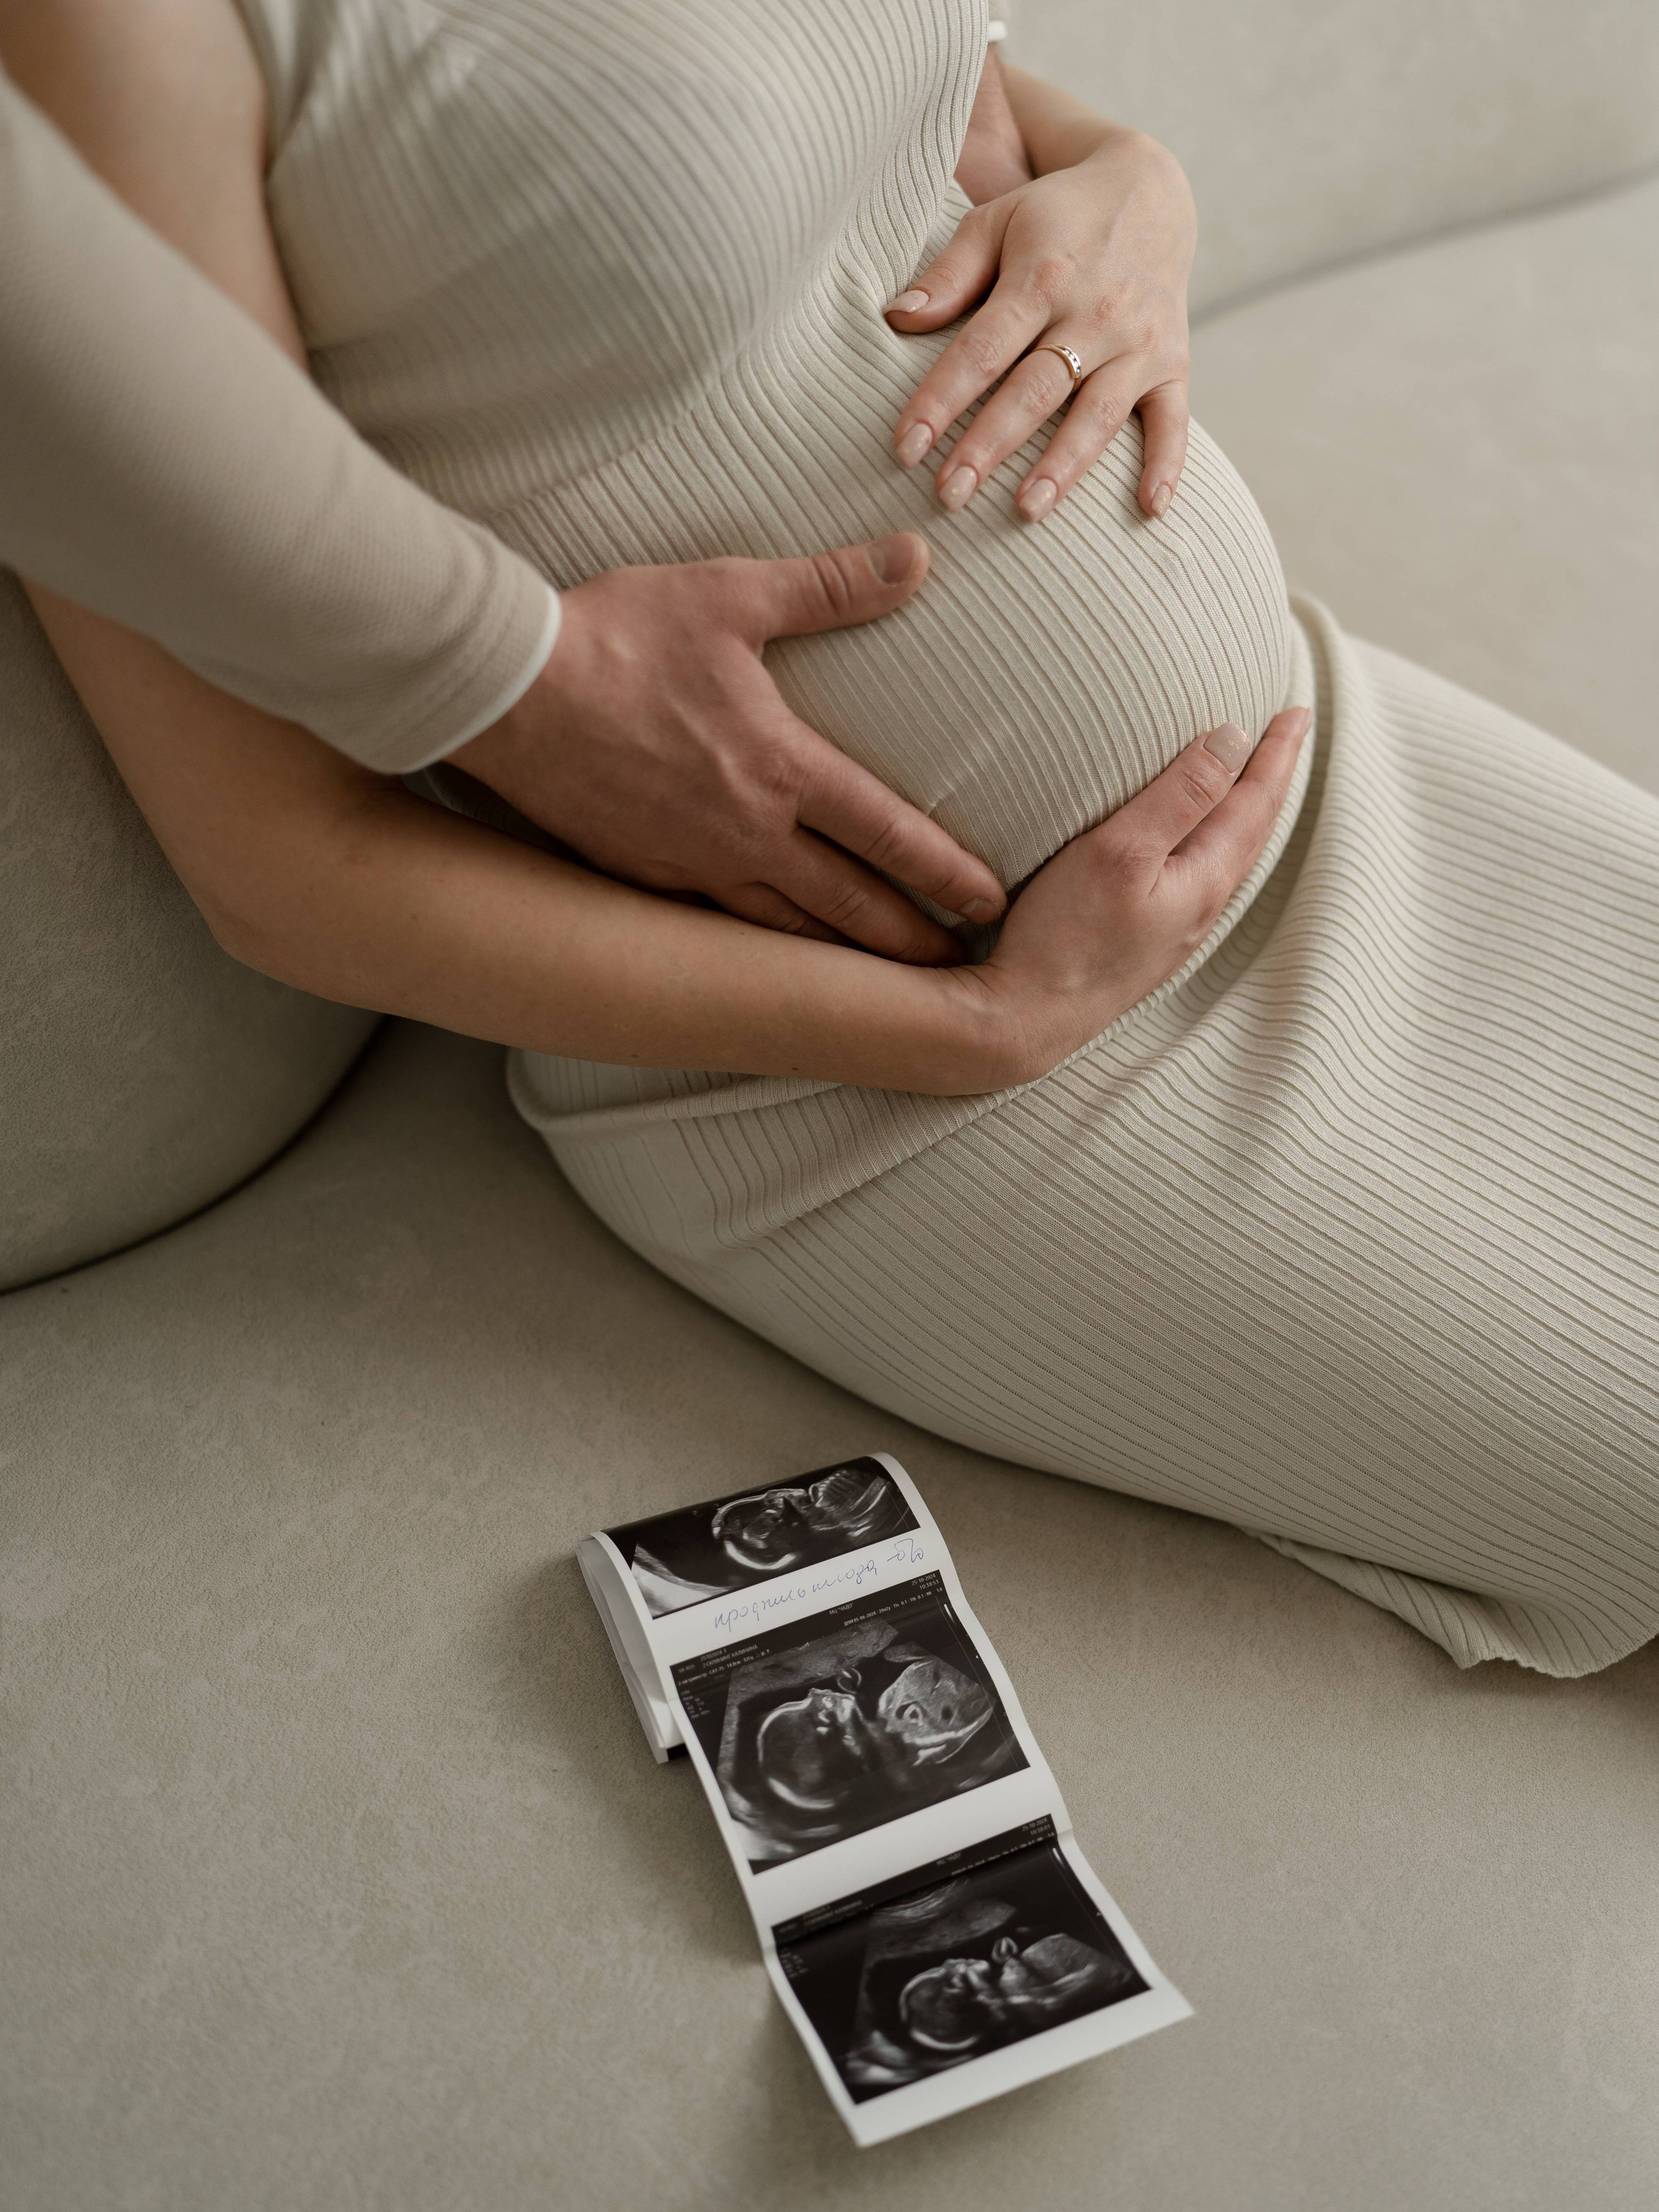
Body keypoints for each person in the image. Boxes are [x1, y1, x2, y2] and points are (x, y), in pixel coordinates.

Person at [8, 0, 1658, 1679]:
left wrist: (1133, 180)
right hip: (934, 1098)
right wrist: (974, 1027)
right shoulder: (96, 42)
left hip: (1331, 757)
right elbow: (277, 873)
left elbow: (902, 93)